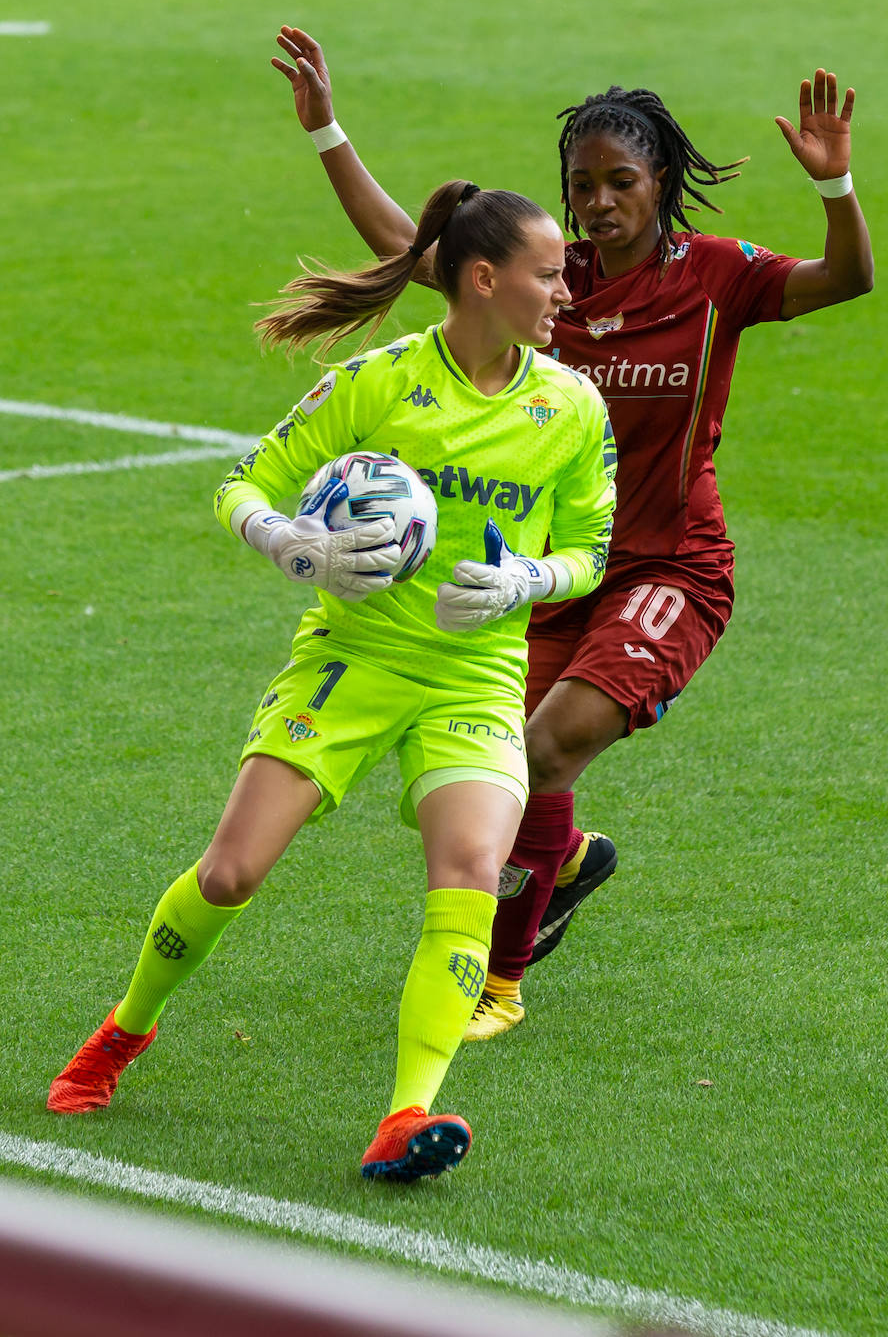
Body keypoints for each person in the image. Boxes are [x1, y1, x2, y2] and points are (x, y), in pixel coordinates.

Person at [270, 27, 874, 1038]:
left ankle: (500, 986)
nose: (599, 201)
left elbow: (845, 279)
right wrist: (326, 128)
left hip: (670, 568)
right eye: (581, 183)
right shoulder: (553, 285)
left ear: (661, 179)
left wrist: (835, 187)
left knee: (547, 747)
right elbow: (408, 249)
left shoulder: (718, 275)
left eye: (619, 181)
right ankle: (570, 856)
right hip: (551, 574)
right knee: (508, 773)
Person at [46, 180, 617, 1182]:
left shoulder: (569, 406)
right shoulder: (377, 383)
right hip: (353, 663)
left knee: (472, 872)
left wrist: (530, 578)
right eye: (547, 273)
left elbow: (588, 550)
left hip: (476, 677)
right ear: (483, 280)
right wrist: (294, 547)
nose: (564, 290)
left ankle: (406, 1116)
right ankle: (122, 1034)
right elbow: (244, 484)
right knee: (230, 875)